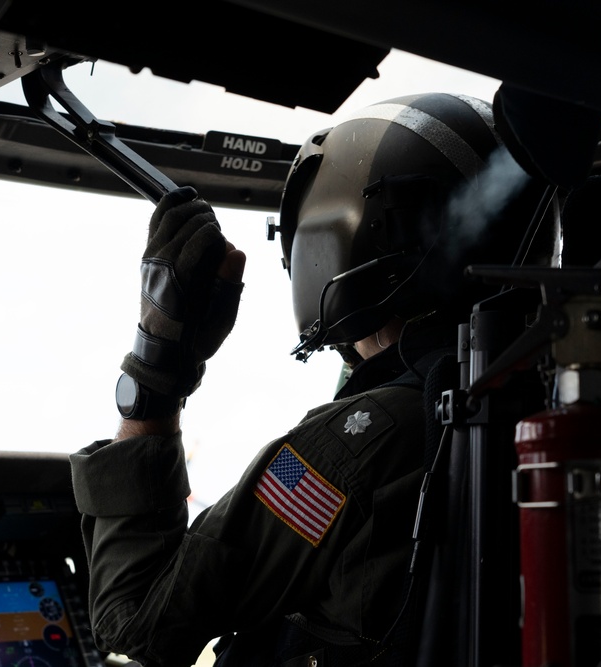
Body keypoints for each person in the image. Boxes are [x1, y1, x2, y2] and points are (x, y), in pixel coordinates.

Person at [69, 91, 553, 667]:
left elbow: (136, 620)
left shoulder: (356, 445)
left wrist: (156, 370)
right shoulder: (537, 395)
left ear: (339, 235)